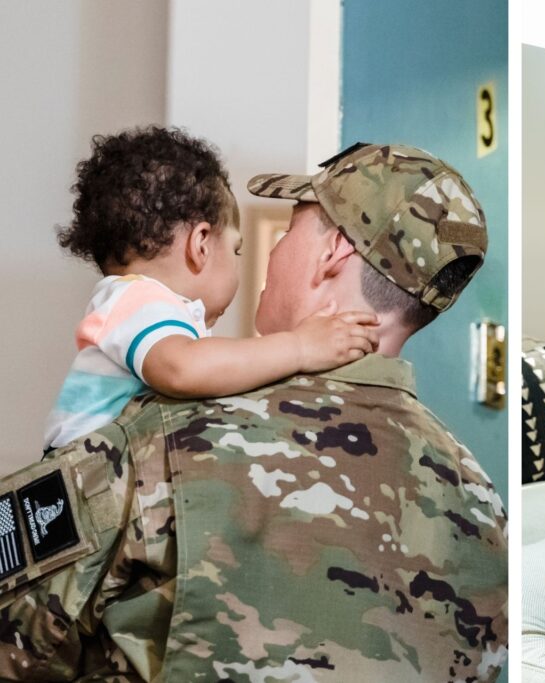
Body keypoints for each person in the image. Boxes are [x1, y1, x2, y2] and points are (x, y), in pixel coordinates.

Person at [0, 142, 508, 681]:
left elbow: (16, 641)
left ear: (333, 251)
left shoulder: (161, 438)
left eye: (289, 231)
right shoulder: (482, 501)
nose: (268, 251)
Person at [44, 127, 379, 451]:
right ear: (201, 244)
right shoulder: (134, 299)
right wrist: (301, 347)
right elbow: (181, 370)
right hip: (73, 487)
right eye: (236, 249)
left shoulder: (138, 306)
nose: (240, 263)